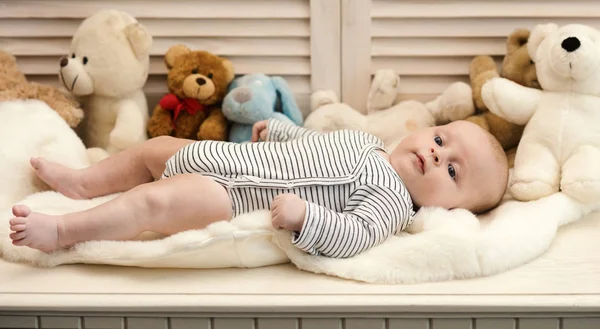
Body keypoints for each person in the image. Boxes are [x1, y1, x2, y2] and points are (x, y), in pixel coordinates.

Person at [8, 118, 508, 258]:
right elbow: (318, 140)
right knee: (152, 149)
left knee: (154, 202)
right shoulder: (369, 141)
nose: (438, 154)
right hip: (229, 157)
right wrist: (285, 130)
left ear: (453, 207)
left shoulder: (391, 203)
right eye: (442, 139)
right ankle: (80, 183)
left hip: (230, 196)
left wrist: (305, 218)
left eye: (453, 172)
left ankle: (64, 230)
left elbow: (353, 234)